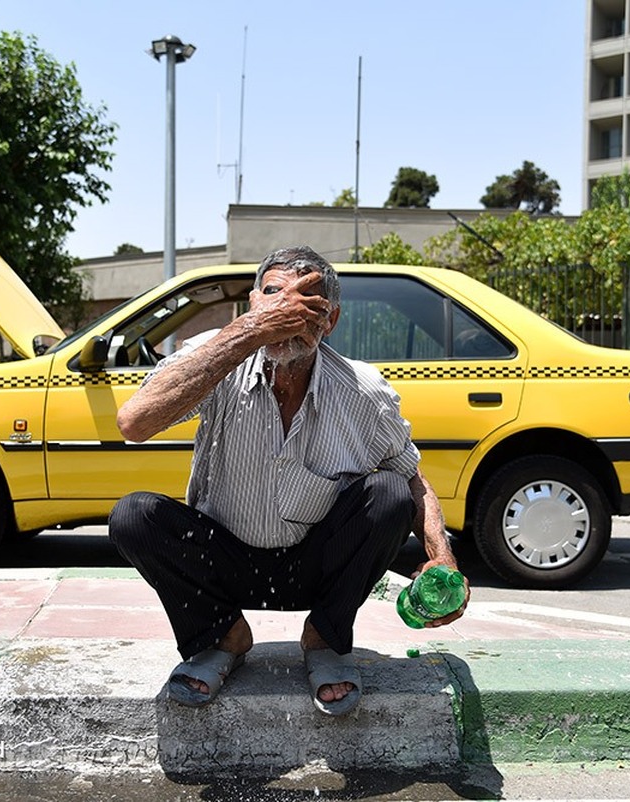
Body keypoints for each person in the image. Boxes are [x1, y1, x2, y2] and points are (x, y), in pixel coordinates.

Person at [109, 245, 468, 717]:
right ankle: (222, 635)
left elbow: (413, 479)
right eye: (275, 296)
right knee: (134, 515)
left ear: (330, 320)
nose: (288, 313)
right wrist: (249, 332)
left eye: (307, 304)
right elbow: (135, 422)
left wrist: (442, 557)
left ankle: (325, 637)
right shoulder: (217, 356)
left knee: (389, 494)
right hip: (225, 562)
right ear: (255, 303)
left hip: (313, 569)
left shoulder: (363, 392)